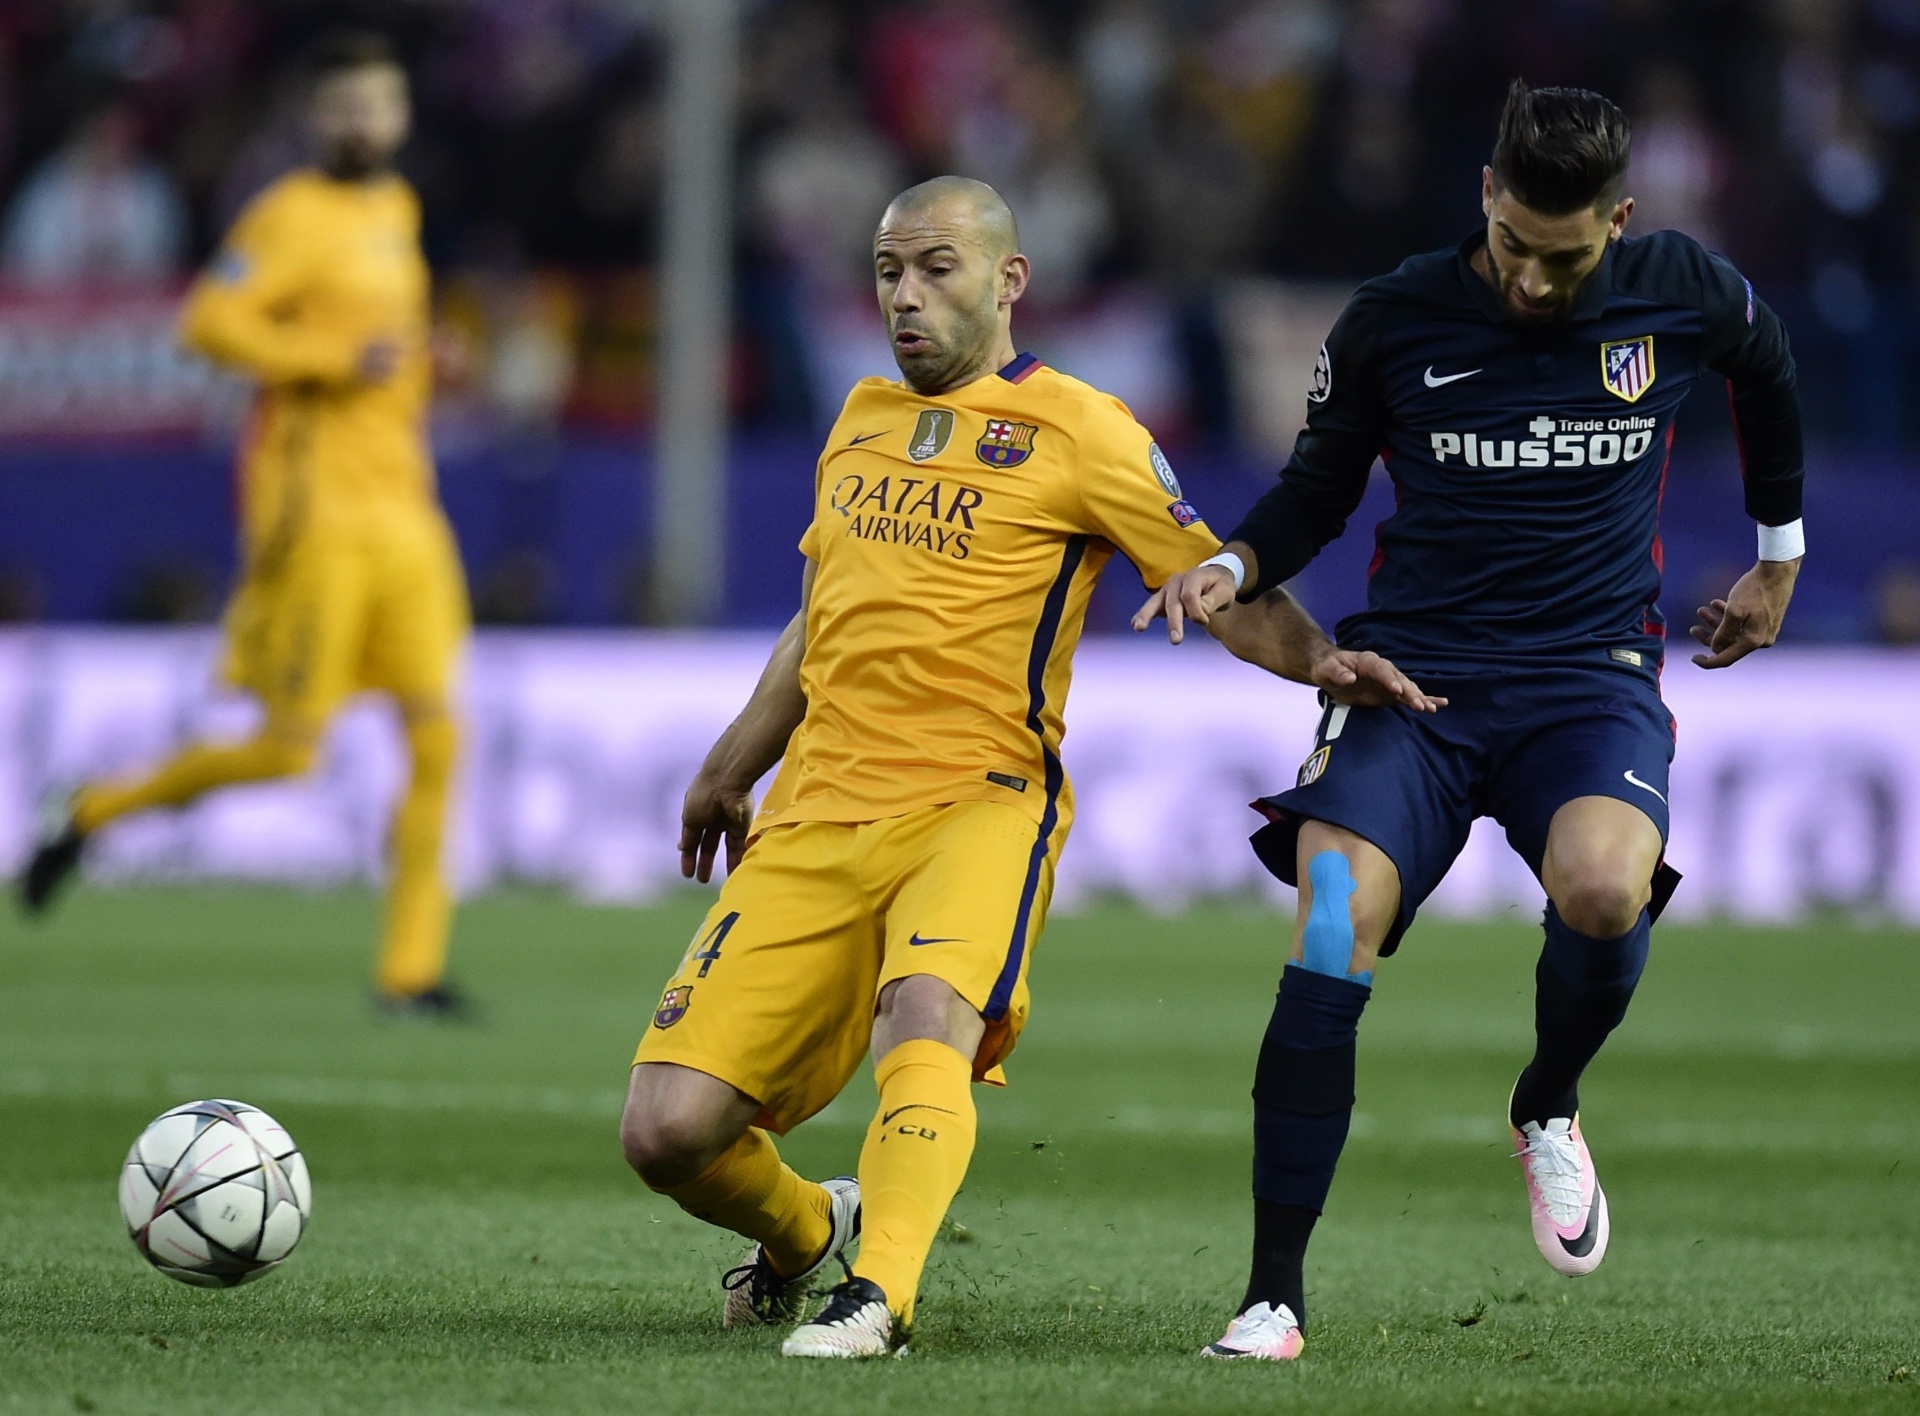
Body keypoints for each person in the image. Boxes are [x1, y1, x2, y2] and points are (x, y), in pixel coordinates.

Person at [618, 175, 1425, 1359]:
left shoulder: (1086, 430)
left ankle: (878, 1296)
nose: (904, 294)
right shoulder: (857, 417)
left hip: (978, 804)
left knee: (925, 1022)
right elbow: (820, 618)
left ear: (1009, 281)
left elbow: (1206, 577)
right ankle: (805, 1231)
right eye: (888, 270)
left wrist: (1320, 664)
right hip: (816, 813)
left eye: (935, 267)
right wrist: (729, 764)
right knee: (666, 1132)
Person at [1138, 80, 1804, 1361]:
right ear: (1487, 196)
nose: (1537, 286)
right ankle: (1273, 1295)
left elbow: (1769, 371)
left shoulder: (1687, 291)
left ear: (1619, 218)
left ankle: (1546, 1106)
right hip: (1413, 678)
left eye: (1567, 260)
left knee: (1607, 894)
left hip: (1587, 674)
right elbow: (1316, 488)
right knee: (1332, 927)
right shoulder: (1395, 316)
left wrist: (1777, 558)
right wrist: (1234, 565)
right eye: (1514, 249)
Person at [18, 33, 472, 1018]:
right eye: (347, 105)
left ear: (400, 115)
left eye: (380, 105)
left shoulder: (397, 208)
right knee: (289, 750)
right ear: (319, 115)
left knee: (439, 737)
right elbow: (208, 323)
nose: (364, 124)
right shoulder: (287, 215)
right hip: (322, 519)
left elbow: (384, 357)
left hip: (408, 511)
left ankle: (410, 973)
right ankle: (91, 811)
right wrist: (328, 357)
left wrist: (425, 361)